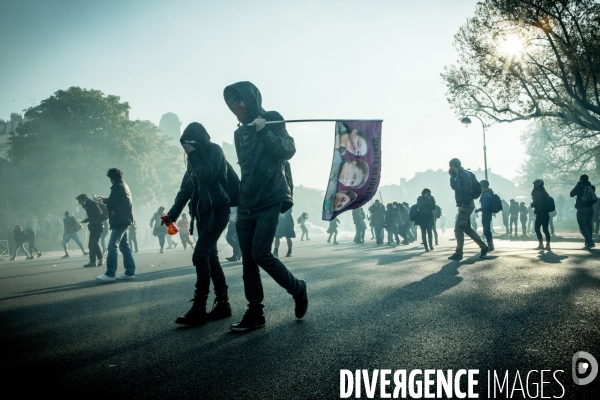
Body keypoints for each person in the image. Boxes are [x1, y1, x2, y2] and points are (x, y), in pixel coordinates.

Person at [224, 81, 307, 331]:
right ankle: (255, 313)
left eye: (238, 99)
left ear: (250, 99)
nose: (234, 105)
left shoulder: (272, 119)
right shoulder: (239, 133)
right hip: (247, 200)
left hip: (271, 196)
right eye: (230, 102)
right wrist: (236, 203)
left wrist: (264, 132)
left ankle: (298, 288)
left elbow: (288, 150)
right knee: (248, 259)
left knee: (260, 253)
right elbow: (245, 168)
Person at [163, 122, 233, 325]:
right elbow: (185, 190)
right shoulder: (192, 161)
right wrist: (172, 215)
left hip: (217, 211)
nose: (186, 147)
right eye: (184, 144)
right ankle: (223, 304)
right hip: (202, 214)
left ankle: (199, 308)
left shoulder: (214, 150)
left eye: (189, 143)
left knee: (200, 255)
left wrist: (193, 154)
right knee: (211, 259)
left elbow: (207, 175)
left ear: (199, 140)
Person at [96, 168, 136, 281]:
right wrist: (105, 200)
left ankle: (110, 273)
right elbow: (116, 201)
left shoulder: (117, 187)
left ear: (111, 178)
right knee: (124, 246)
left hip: (120, 220)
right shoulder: (124, 186)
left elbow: (114, 203)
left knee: (112, 246)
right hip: (125, 219)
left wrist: (113, 209)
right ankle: (130, 271)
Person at [447, 158, 489, 260]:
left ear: (453, 166)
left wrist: (464, 206)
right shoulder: (458, 175)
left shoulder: (464, 174)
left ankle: (459, 252)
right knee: (467, 228)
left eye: (450, 166)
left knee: (458, 228)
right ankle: (483, 247)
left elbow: (468, 191)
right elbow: (454, 187)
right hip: (466, 205)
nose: (449, 168)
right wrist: (452, 176)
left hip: (466, 205)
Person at [77, 194, 104, 268]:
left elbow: (95, 215)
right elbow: (92, 216)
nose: (79, 203)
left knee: (94, 243)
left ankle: (100, 258)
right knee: (91, 244)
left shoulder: (90, 204)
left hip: (97, 226)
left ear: (83, 199)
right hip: (95, 227)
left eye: (80, 201)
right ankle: (93, 261)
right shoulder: (88, 205)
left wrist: (84, 221)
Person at [570, 174, 597, 249]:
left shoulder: (579, 187)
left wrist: (578, 184)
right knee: (589, 227)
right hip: (590, 208)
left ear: (580, 179)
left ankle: (590, 242)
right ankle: (587, 244)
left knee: (582, 226)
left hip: (581, 209)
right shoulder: (592, 187)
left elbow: (571, 194)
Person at [531, 179, 552, 251]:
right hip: (546, 213)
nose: (533, 186)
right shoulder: (545, 193)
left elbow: (535, 202)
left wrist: (532, 204)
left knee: (537, 229)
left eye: (534, 184)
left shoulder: (536, 192)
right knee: (545, 230)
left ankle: (541, 244)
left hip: (540, 213)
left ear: (537, 185)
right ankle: (548, 245)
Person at [475, 180, 495, 251]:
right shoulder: (487, 193)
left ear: (483, 185)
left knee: (486, 230)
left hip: (486, 213)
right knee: (486, 230)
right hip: (487, 213)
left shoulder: (486, 194)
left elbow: (485, 206)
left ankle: (490, 245)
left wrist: (478, 210)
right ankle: (490, 245)